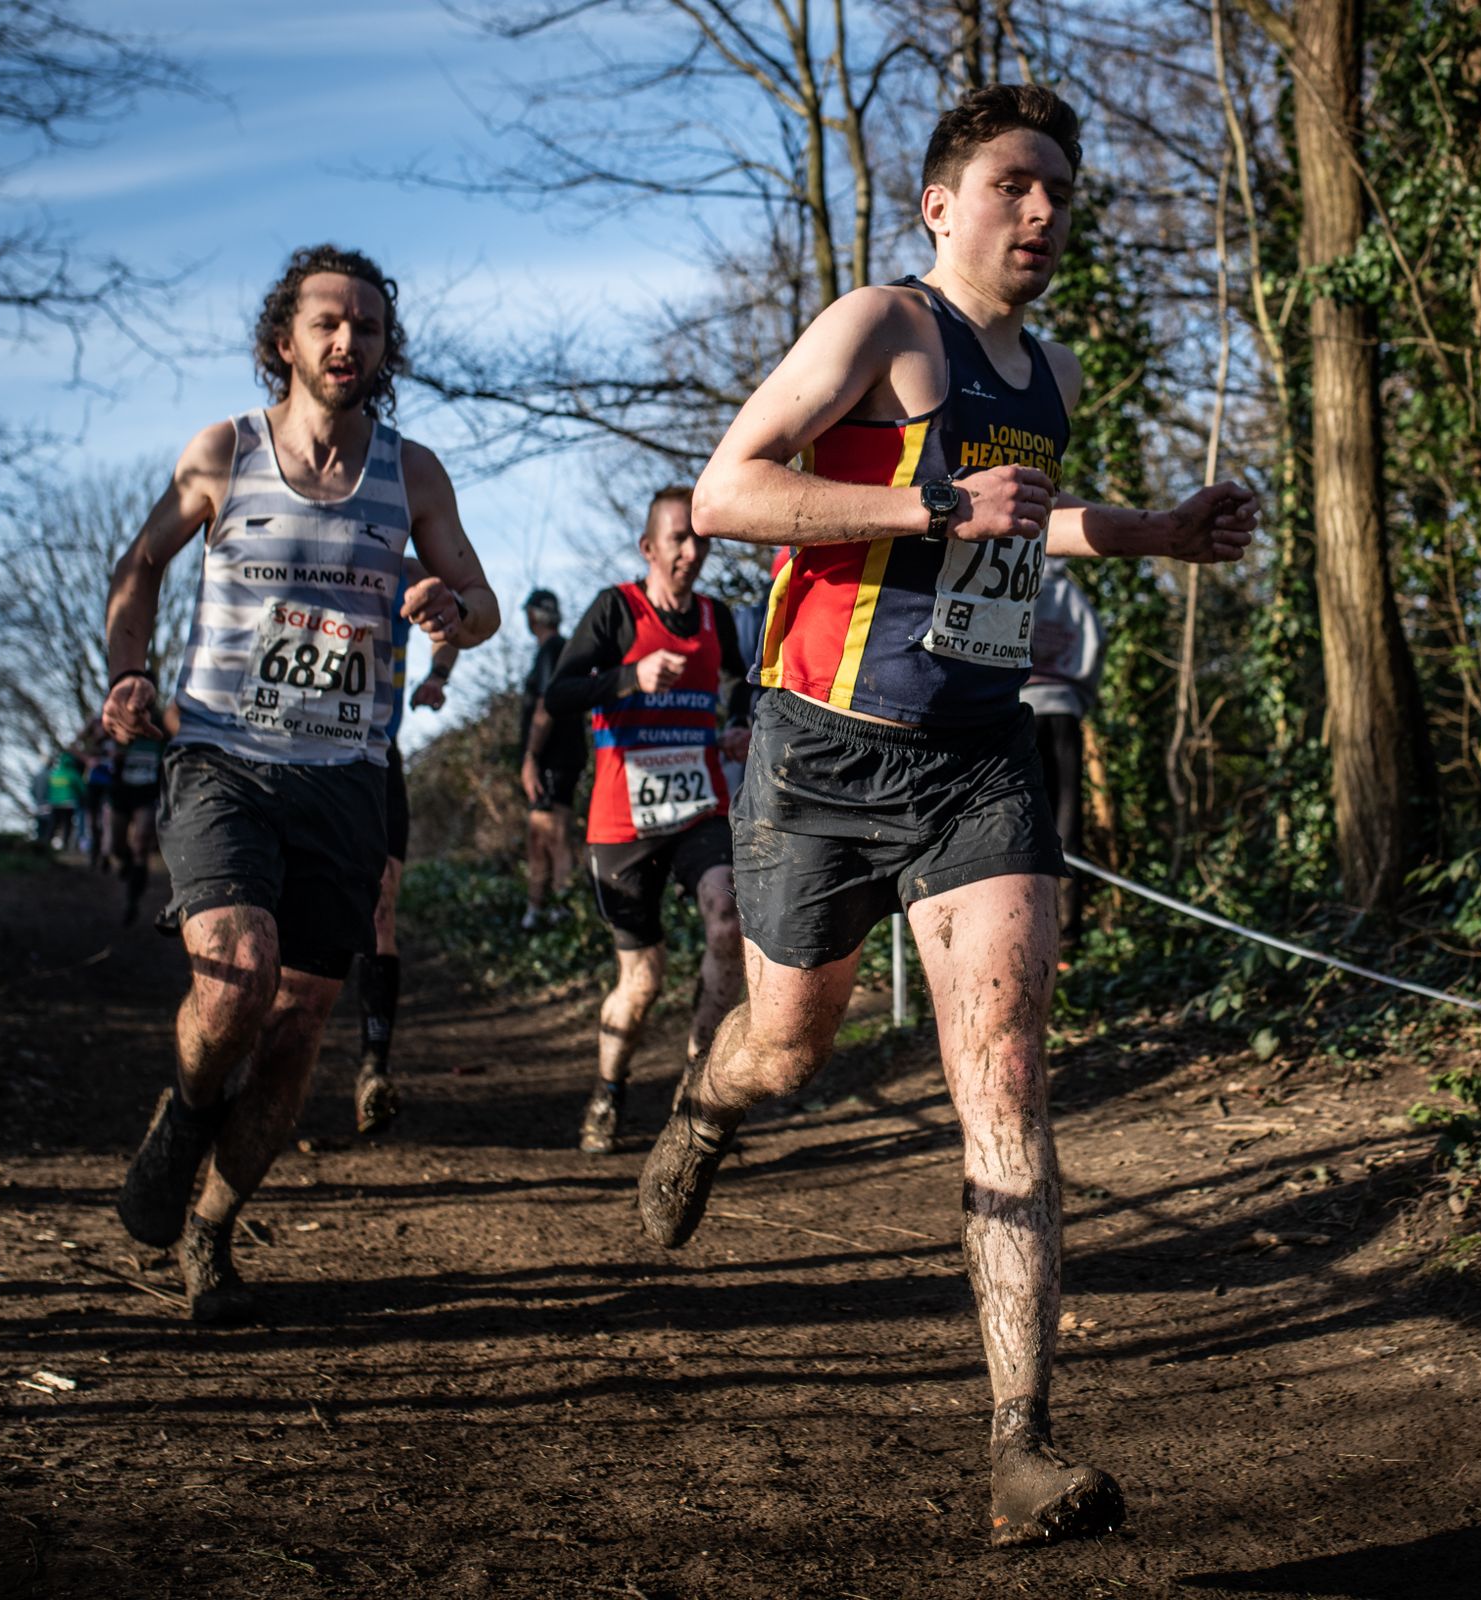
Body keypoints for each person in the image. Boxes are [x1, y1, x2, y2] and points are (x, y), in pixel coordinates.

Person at [642, 86, 1255, 1546]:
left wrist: (1151, 534)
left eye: (1061, 191)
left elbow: (1023, 527)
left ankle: (1019, 1445)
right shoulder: (880, 325)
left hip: (978, 759)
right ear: (941, 202)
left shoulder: (1049, 373)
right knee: (787, 1051)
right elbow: (727, 495)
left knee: (1006, 1077)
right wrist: (929, 509)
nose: (1043, 211)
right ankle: (705, 1106)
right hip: (819, 753)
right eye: (1013, 184)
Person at [98, 244, 499, 1323]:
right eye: (327, 322)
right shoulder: (224, 452)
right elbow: (140, 565)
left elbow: (484, 602)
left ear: (384, 348)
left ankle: (211, 1232)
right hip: (224, 758)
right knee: (238, 975)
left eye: (367, 326)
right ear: (284, 340)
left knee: (297, 1025)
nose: (347, 341)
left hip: (346, 778)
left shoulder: (411, 473)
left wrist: (452, 610)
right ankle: (188, 1113)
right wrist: (129, 670)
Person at [544, 488, 749, 1152]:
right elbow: (559, 693)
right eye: (678, 539)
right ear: (649, 548)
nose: (693, 550)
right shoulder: (616, 609)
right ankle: (608, 1091)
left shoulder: (716, 617)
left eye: (700, 538)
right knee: (642, 981)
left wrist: (739, 723)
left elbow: (747, 680)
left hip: (699, 810)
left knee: (729, 921)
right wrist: (629, 677)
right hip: (622, 824)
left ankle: (696, 1089)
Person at [351, 559, 460, 1136]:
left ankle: (374, 1067)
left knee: (382, 904)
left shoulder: (402, 568)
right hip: (296, 758)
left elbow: (457, 615)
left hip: (376, 757)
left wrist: (438, 673)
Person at [1019, 556, 1103, 960]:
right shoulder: (1073, 595)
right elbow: (1094, 645)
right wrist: (1078, 697)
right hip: (1065, 710)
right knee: (1068, 816)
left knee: (1022, 814)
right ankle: (1067, 933)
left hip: (1020, 708)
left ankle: (1027, 925)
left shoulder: (1017, 583)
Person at [519, 589, 586, 931]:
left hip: (554, 759)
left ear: (533, 616)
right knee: (541, 833)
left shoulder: (552, 650)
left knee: (552, 831)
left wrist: (531, 756)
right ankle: (541, 907)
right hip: (560, 757)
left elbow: (546, 705)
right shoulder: (560, 649)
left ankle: (558, 908)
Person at [108, 723, 168, 926]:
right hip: (122, 791)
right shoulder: (120, 724)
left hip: (147, 792)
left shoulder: (162, 729)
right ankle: (126, 862)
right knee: (116, 845)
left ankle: (132, 900)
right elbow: (89, 745)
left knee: (140, 844)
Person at [81, 737, 116, 870]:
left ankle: (105, 855)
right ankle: (94, 853)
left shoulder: (117, 737)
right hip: (93, 787)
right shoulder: (93, 739)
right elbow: (73, 748)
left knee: (106, 823)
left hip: (108, 786)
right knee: (92, 823)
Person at [41, 749, 83, 850]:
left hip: (55, 804)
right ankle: (65, 846)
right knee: (67, 825)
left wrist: (49, 800)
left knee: (53, 825)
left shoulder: (54, 774)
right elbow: (82, 789)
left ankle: (46, 845)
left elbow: (48, 789)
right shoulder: (73, 773)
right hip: (69, 804)